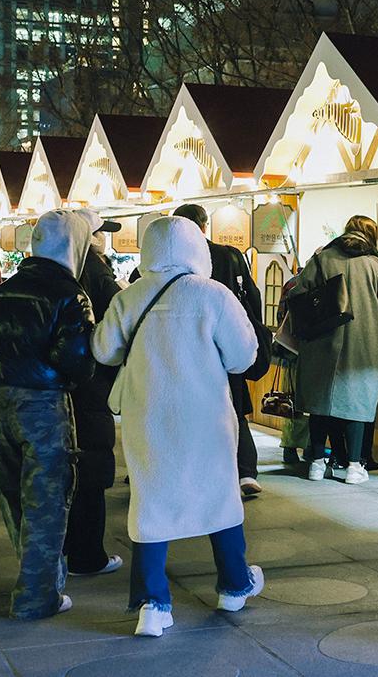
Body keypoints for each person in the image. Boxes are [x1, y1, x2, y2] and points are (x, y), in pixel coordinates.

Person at [92, 216, 263, 637]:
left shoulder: (129, 297)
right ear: (197, 247)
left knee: (150, 503)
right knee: (219, 495)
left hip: (147, 416)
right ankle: (234, 585)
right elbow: (244, 357)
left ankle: (153, 605)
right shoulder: (212, 295)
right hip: (205, 419)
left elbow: (103, 350)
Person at [0, 209, 98, 620]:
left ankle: (45, 576)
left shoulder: (4, 292)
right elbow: (76, 360)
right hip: (44, 406)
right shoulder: (71, 295)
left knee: (11, 494)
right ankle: (35, 596)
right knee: (46, 501)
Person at [291, 215, 378, 485]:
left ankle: (316, 464)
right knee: (357, 407)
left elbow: (297, 295)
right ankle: (353, 467)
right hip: (364, 349)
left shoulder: (322, 259)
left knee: (320, 406)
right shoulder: (376, 267)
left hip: (321, 345)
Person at [172, 204, 266, 496]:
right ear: (204, 226)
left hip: (185, 346)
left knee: (188, 410)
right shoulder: (228, 256)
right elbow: (253, 297)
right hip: (226, 341)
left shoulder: (169, 259)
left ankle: (198, 471)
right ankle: (245, 472)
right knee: (234, 408)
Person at [65, 220, 124, 576]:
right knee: (92, 468)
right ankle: (89, 556)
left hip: (57, 390)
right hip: (91, 384)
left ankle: (70, 549)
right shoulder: (96, 274)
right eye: (99, 232)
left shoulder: (59, 272)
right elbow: (118, 324)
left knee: (68, 470)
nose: (104, 238)